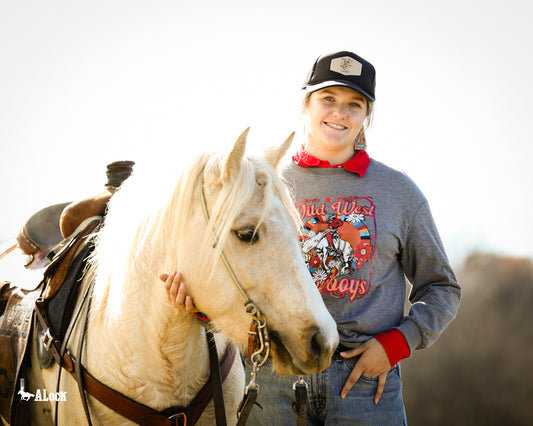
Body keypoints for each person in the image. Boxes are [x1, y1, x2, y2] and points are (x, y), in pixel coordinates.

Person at [160, 51, 461, 425]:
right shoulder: (262, 184)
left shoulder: (399, 192)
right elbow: (236, 272)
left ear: (366, 115)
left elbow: (442, 288)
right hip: (272, 382)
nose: (340, 113)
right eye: (328, 99)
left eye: (354, 104)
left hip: (365, 385)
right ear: (306, 104)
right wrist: (203, 310)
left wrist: (397, 344)